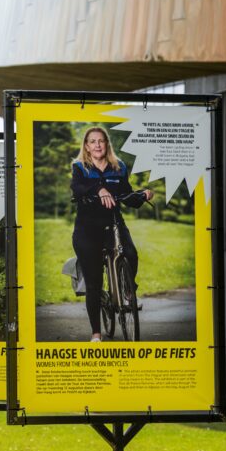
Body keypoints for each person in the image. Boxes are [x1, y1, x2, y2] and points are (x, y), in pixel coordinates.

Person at [70, 126, 153, 342]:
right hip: (87, 229)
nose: (97, 144)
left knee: (132, 255)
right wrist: (99, 189)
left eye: (101, 141)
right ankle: (96, 333)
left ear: (107, 144)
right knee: (94, 283)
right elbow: (77, 187)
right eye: (93, 141)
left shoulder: (119, 167)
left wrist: (143, 195)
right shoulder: (80, 167)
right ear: (86, 146)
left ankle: (127, 291)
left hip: (114, 224)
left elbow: (127, 194)